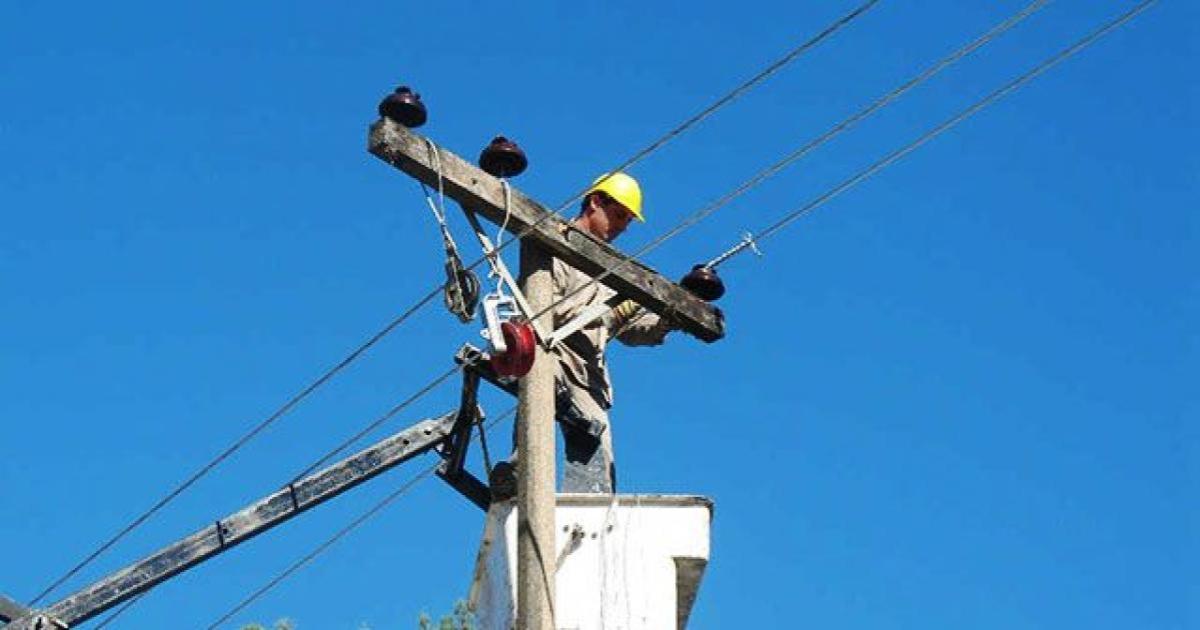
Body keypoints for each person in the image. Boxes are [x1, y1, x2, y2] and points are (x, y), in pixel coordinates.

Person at [491, 172, 672, 497]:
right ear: (595, 202)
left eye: (628, 221)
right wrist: (606, 315)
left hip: (588, 376)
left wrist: (667, 319)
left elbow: (633, 332)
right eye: (619, 215)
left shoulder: (613, 270)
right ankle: (517, 477)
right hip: (551, 357)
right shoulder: (554, 245)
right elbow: (538, 312)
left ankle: (590, 516)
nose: (622, 227)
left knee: (599, 464)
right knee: (535, 424)